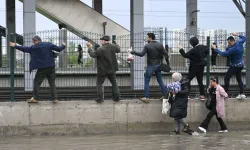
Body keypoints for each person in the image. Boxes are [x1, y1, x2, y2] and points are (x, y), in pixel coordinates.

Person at [9, 35, 66, 103]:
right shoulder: (48, 44)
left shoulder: (34, 47)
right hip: (51, 67)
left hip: (42, 68)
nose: (33, 43)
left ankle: (35, 98)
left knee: (36, 82)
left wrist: (14, 45)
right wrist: (63, 45)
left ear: (36, 41)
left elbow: (24, 49)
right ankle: (54, 98)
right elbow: (59, 49)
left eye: (33, 42)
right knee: (52, 83)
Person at [128, 33, 169, 103]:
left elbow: (141, 54)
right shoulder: (160, 45)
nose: (146, 38)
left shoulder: (147, 46)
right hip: (158, 65)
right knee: (160, 81)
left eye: (147, 37)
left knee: (147, 81)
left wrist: (132, 52)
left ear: (150, 38)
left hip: (150, 66)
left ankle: (147, 97)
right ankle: (165, 96)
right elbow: (166, 54)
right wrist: (166, 62)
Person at [87, 35, 121, 103]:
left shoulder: (100, 49)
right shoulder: (113, 46)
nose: (101, 41)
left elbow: (92, 55)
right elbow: (118, 50)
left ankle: (100, 98)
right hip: (112, 69)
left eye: (101, 40)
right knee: (114, 83)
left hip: (102, 70)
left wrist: (89, 48)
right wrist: (116, 43)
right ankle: (117, 97)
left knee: (99, 83)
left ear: (103, 41)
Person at [212, 33, 246, 99]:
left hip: (234, 66)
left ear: (231, 41)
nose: (228, 44)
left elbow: (223, 54)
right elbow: (244, 38)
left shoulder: (232, 49)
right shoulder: (239, 42)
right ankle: (242, 93)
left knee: (227, 78)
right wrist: (237, 34)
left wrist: (215, 48)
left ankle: (225, 93)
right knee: (239, 78)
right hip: (241, 64)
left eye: (229, 43)